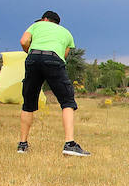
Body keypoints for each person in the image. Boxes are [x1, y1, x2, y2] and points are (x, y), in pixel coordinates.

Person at [18, 10, 90, 156]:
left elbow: (24, 41)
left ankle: (22, 145)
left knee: (28, 103)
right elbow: (64, 55)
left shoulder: (36, 25)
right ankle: (69, 144)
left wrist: (31, 53)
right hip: (53, 59)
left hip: (32, 58)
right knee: (67, 101)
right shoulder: (66, 33)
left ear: (44, 19)